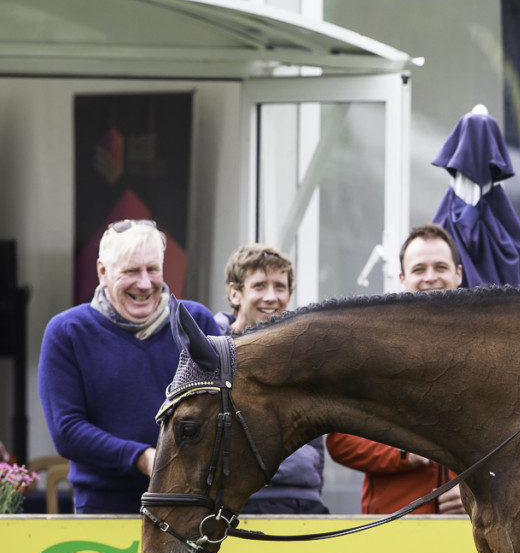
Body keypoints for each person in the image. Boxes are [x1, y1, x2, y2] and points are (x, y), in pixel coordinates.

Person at [39, 219, 220, 513]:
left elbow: (225, 406)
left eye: (153, 269)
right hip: (103, 508)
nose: (145, 283)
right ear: (102, 272)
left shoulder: (195, 322)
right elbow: (67, 431)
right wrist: (144, 458)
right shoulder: (67, 332)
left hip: (190, 506)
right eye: (131, 271)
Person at [326, 224, 466, 515]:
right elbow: (341, 441)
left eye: (440, 267)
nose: (430, 277)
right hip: (392, 531)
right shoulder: (373, 350)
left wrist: (477, 494)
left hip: (472, 532)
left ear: (458, 275)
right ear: (403, 278)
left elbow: (513, 442)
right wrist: (402, 452)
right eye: (419, 269)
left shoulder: (483, 349)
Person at [216, 244, 328, 514]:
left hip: (304, 503)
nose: (271, 297)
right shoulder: (212, 354)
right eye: (259, 286)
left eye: (280, 287)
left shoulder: (303, 357)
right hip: (237, 504)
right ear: (235, 293)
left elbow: (316, 440)